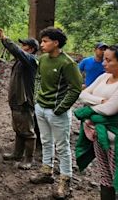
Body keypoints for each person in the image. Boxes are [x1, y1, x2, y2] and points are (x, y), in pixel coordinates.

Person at [29, 27, 82, 199]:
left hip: (57, 111)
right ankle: (47, 172)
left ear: (56, 42)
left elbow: (75, 89)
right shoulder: (43, 59)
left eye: (45, 41)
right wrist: (37, 99)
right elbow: (38, 78)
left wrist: (60, 108)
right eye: (42, 41)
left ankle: (65, 181)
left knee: (63, 147)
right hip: (41, 107)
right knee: (45, 141)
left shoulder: (68, 63)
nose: (42, 44)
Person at [75, 44, 118, 200]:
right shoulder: (103, 77)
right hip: (99, 136)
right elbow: (82, 94)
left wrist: (90, 111)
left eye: (108, 60)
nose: (103, 63)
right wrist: (100, 100)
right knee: (104, 174)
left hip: (113, 138)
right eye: (104, 59)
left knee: (115, 174)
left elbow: (109, 110)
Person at [0, 29, 38, 170]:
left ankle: (28, 159)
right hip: (16, 100)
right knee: (18, 128)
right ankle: (17, 154)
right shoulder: (21, 61)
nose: (22, 47)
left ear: (31, 49)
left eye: (25, 45)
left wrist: (5, 39)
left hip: (24, 101)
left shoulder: (30, 60)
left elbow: (17, 52)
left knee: (28, 131)